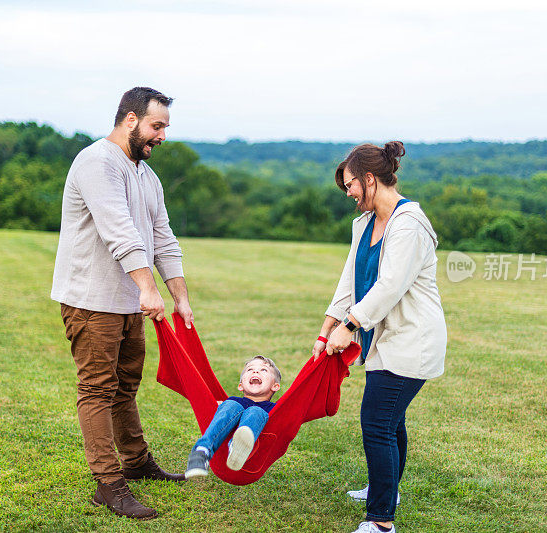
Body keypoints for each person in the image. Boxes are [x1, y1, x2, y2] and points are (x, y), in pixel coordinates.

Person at [51, 87, 194, 521]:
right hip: (92, 301)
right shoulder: (97, 162)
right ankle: (108, 483)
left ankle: (135, 461)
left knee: (126, 385)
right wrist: (148, 290)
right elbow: (119, 231)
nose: (163, 135)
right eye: (157, 126)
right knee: (97, 388)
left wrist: (179, 298)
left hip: (129, 303)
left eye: (165, 127)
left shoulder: (147, 176)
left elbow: (163, 238)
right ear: (130, 120)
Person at [312, 142, 447, 533]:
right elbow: (349, 280)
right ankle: (387, 489)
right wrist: (327, 327)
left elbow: (390, 286)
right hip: (383, 340)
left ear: (370, 179)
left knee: (377, 422)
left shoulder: (410, 223)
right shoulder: (365, 223)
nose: (349, 193)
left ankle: (381, 520)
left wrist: (349, 327)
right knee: (391, 421)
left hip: (412, 339)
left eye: (352, 185)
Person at [184, 356, 282, 478]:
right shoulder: (231, 403)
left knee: (255, 411)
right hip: (222, 446)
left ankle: (238, 449)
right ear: (240, 386)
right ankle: (201, 452)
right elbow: (215, 409)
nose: (255, 371)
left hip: (252, 456)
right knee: (231, 405)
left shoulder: (276, 410)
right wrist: (216, 406)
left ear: (275, 386)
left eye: (264, 370)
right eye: (250, 369)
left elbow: (296, 407)